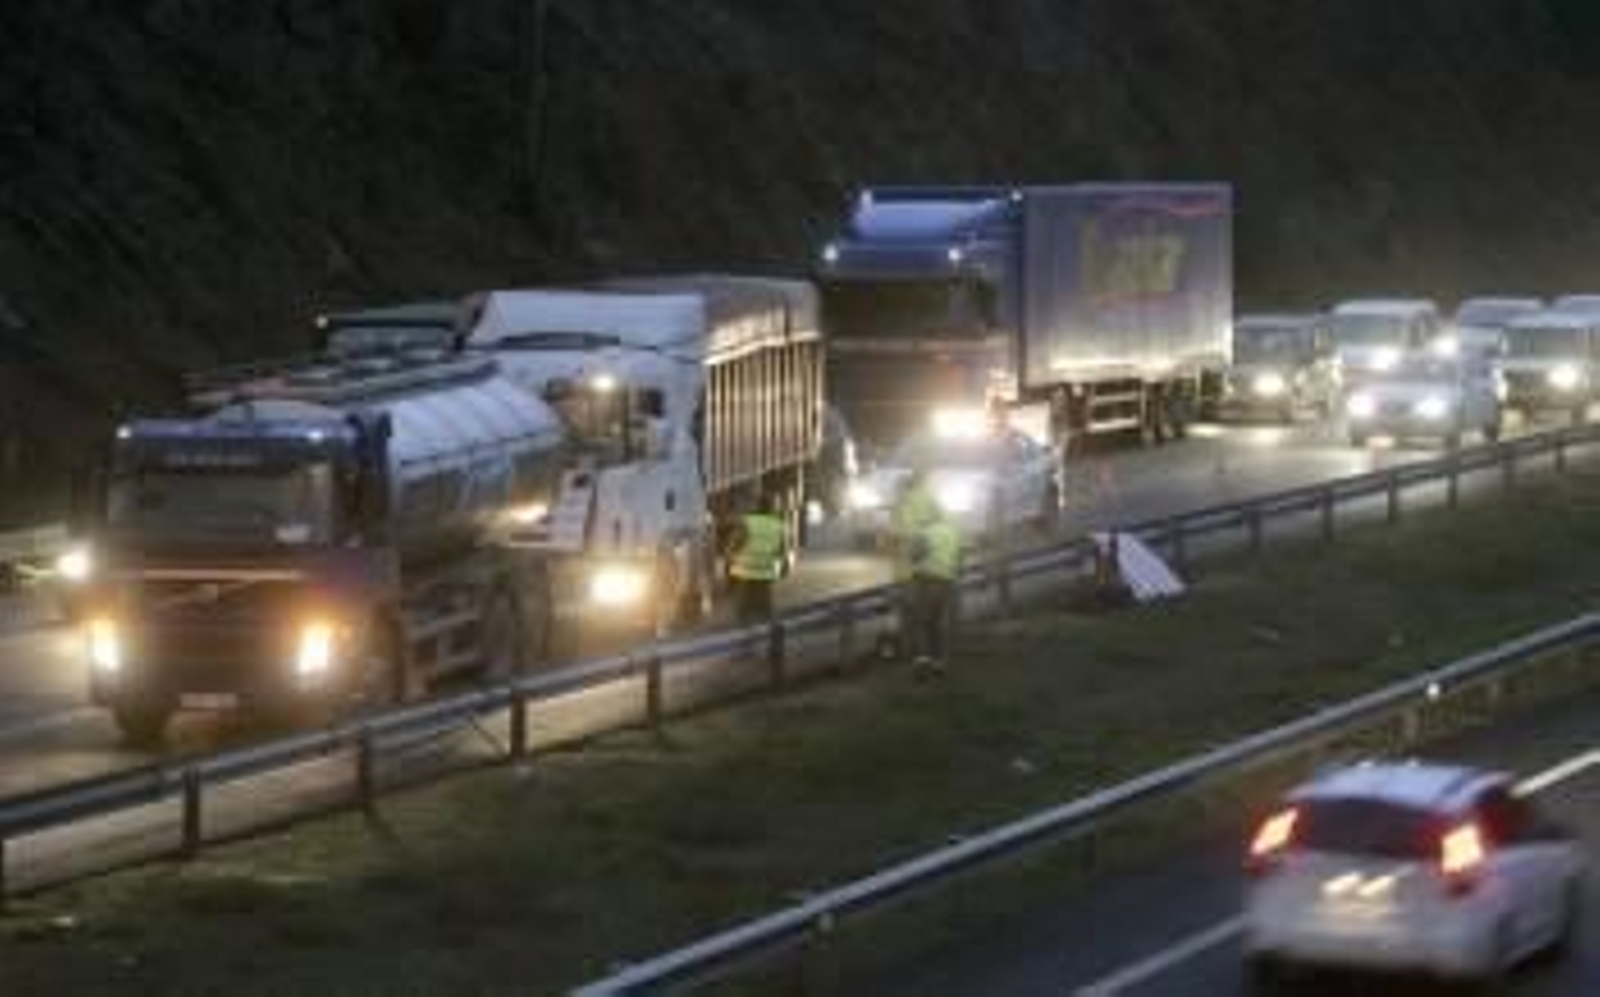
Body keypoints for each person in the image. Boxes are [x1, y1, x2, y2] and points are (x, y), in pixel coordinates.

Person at [906, 507, 962, 676]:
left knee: (922, 622)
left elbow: (915, 555)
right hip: (948, 581)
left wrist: (911, 552)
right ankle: (941, 663)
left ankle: (923, 663)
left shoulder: (924, 533)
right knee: (939, 624)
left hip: (926, 581)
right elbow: (959, 557)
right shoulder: (952, 532)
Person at [728, 494, 787, 624]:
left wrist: (730, 561)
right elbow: (782, 551)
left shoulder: (747, 522)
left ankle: (743, 629)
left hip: (746, 570)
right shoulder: (777, 525)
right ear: (771, 509)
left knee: (743, 606)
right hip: (766, 570)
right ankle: (768, 633)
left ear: (756, 508)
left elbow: (734, 545)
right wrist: (783, 568)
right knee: (765, 605)